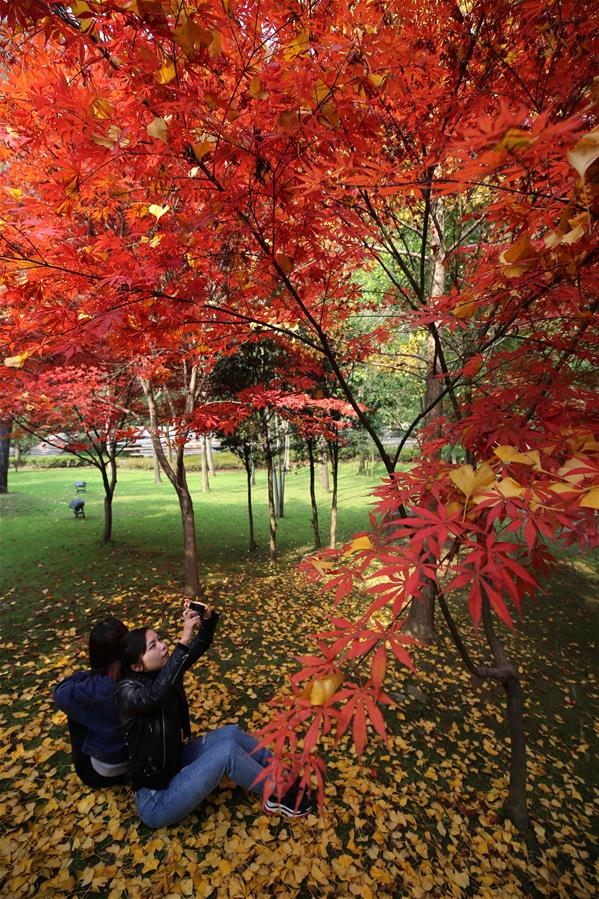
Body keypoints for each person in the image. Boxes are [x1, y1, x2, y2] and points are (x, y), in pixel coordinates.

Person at [116, 604, 312, 827]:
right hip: (156, 800)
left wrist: (207, 620)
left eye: (159, 640)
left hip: (175, 764)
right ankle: (283, 794)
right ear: (137, 666)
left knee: (232, 733)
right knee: (227, 753)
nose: (162, 646)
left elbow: (198, 647)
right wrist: (183, 641)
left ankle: (278, 771)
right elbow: (154, 696)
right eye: (153, 646)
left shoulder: (163, 671)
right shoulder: (127, 692)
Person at [54, 617, 129, 787]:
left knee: (76, 709)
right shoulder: (143, 667)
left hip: (105, 772)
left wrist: (91, 674)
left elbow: (60, 692)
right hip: (141, 758)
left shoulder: (95, 688)